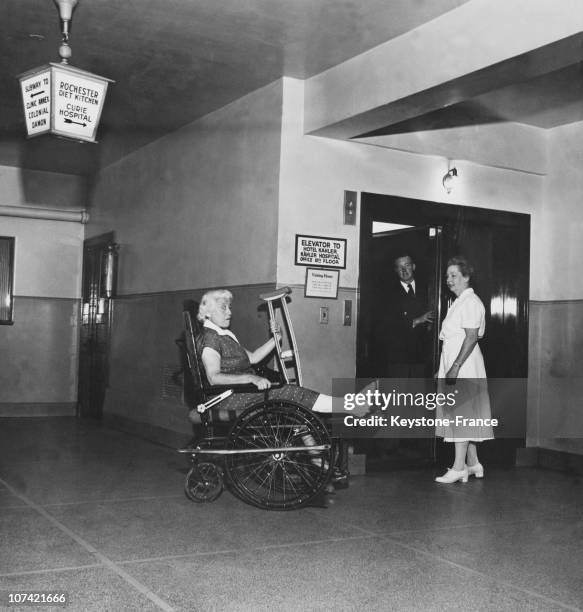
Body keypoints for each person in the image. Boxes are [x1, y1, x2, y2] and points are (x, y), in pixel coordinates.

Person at [190, 288, 372, 424]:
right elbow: (213, 378)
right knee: (290, 392)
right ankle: (349, 406)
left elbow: (252, 358)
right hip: (227, 399)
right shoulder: (210, 339)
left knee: (291, 397)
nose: (229, 312)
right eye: (224, 308)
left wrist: (276, 338)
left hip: (240, 393)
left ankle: (314, 454)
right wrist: (251, 377)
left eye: (229, 307)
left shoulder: (223, 335)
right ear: (208, 312)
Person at [434, 256, 493, 484]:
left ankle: (459, 468)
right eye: (447, 276)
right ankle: (474, 463)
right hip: (456, 362)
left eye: (454, 275)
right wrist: (444, 368)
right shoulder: (459, 302)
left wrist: (455, 367)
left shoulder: (471, 302)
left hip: (465, 364)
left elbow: (470, 338)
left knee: (462, 414)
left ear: (466, 277)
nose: (449, 280)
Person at [384, 254, 434, 378]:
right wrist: (417, 320)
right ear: (396, 270)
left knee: (418, 394)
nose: (404, 270)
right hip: (399, 358)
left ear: (414, 266)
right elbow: (388, 325)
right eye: (400, 267)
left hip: (422, 357)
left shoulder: (429, 289)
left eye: (407, 265)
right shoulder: (388, 293)